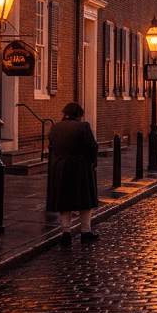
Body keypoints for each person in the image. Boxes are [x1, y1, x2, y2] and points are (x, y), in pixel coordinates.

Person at [46, 102, 99, 246]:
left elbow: (52, 145)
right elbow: (92, 147)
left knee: (64, 201)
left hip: (61, 166)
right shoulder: (83, 126)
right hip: (80, 166)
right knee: (84, 200)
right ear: (79, 114)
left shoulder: (55, 127)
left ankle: (66, 233)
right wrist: (92, 161)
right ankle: (85, 231)